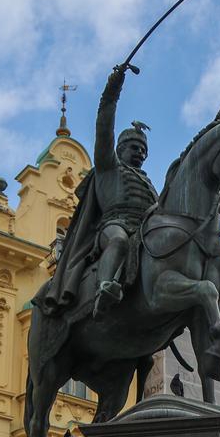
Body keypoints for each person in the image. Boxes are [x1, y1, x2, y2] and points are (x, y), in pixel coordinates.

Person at [38, 63, 159, 315]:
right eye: (134, 147)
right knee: (118, 241)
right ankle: (105, 288)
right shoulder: (108, 167)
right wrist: (112, 92)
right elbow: (104, 127)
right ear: (120, 149)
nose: (140, 153)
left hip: (144, 231)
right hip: (114, 224)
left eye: (143, 150)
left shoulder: (148, 183)